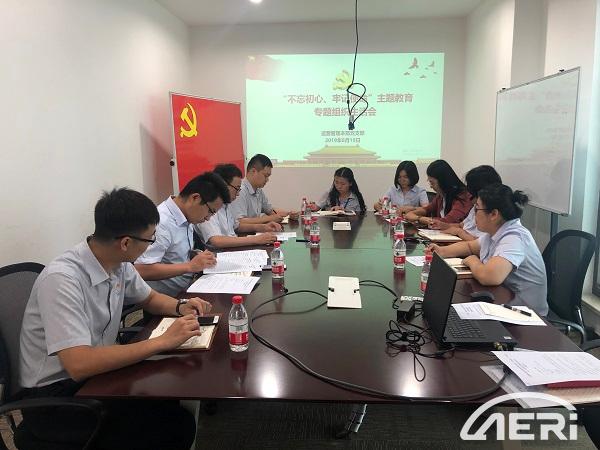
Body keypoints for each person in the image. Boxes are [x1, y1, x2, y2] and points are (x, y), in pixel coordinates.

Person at [17, 188, 209, 449]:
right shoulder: (62, 280)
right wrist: (163, 341)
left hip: (97, 375)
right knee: (175, 428)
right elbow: (78, 364)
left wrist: (181, 306)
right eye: (150, 239)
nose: (151, 245)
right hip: (56, 398)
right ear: (126, 243)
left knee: (170, 397)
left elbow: (149, 298)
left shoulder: (118, 263)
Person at [427, 183, 548, 316]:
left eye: (477, 208)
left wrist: (473, 261)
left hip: (526, 314)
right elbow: (469, 246)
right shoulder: (495, 231)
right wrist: (442, 251)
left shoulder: (515, 238)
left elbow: (489, 277)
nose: (474, 214)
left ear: (494, 214)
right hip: (503, 300)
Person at [135, 171, 230, 297]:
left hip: (188, 288)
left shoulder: (186, 216)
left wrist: (195, 255)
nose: (208, 218)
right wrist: (190, 266)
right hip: (166, 299)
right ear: (195, 198)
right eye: (210, 211)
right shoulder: (162, 223)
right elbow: (141, 269)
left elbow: (174, 255)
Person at [196, 163, 282, 248]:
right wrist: (256, 239)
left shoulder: (226, 204)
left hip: (232, 249)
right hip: (219, 253)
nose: (238, 194)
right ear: (223, 185)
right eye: (236, 189)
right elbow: (217, 241)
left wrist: (262, 227)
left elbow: (237, 226)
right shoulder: (208, 206)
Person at [431, 165, 502, 241]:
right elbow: (461, 225)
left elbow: (480, 243)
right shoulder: (476, 206)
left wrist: (459, 232)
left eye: (470, 188)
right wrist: (443, 225)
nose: (467, 193)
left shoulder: (491, 212)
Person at [229, 154, 299, 229]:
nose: (267, 180)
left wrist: (289, 214)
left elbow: (270, 210)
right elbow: (239, 222)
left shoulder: (258, 190)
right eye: (265, 176)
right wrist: (269, 218)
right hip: (245, 233)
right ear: (253, 171)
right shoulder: (240, 191)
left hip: (257, 231)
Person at [404, 159, 471, 225]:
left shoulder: (463, 196)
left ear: (443, 181)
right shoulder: (441, 195)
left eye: (432, 183)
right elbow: (427, 209)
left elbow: (447, 221)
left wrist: (418, 218)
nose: (431, 186)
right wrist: (412, 213)